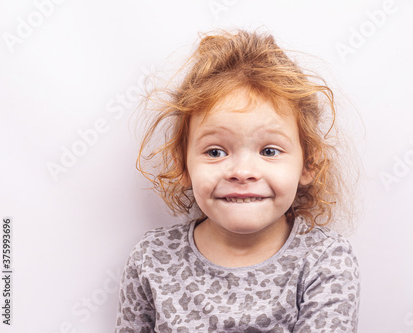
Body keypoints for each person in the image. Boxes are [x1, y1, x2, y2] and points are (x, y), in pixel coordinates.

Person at [115, 29, 360, 332]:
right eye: (215, 151)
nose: (242, 171)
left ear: (308, 164)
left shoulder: (324, 261)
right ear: (182, 166)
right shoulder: (152, 259)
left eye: (269, 151)